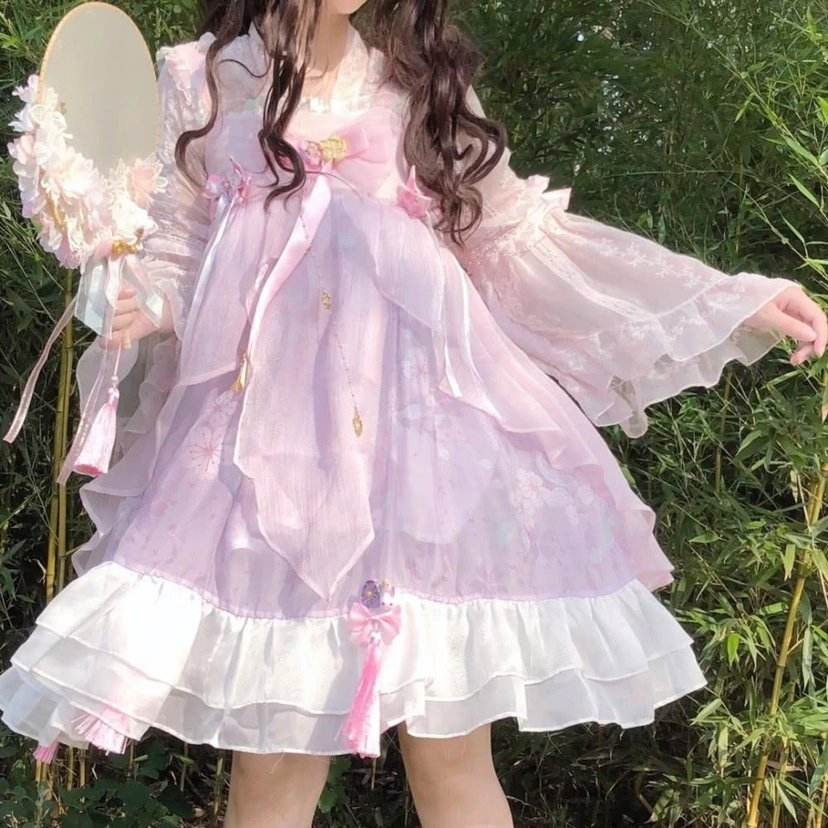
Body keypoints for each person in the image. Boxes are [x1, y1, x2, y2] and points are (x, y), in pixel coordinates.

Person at [1, 1, 825, 826]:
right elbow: (177, 246)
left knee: (450, 750)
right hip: (264, 463)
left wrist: (730, 300)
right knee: (275, 761)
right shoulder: (201, 79)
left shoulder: (421, 85)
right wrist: (143, 300)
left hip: (423, 460)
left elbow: (521, 242)